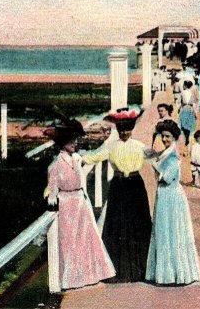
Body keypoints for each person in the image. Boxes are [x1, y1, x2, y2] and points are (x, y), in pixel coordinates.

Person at [81, 109, 153, 283]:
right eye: (121, 130)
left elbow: (156, 157)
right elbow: (94, 157)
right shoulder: (111, 146)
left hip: (135, 186)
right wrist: (78, 156)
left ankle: (141, 269)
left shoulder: (139, 146)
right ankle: (119, 269)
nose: (124, 133)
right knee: (118, 224)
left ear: (132, 129)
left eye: (127, 130)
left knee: (138, 224)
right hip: (119, 186)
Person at [46, 119, 115, 290]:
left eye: (75, 140)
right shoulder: (56, 165)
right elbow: (53, 190)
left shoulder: (75, 159)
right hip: (67, 204)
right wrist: (53, 202)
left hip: (80, 202)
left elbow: (90, 158)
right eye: (72, 141)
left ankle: (86, 275)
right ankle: (70, 279)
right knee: (69, 242)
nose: (75, 143)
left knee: (84, 239)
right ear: (63, 143)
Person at [146, 119, 200, 285]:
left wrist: (154, 165)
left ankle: (173, 273)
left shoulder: (173, 155)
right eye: (163, 136)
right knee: (163, 231)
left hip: (171, 196)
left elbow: (167, 178)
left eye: (168, 136)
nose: (164, 139)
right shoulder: (165, 153)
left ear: (174, 137)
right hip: (164, 195)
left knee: (172, 232)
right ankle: (164, 273)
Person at [179, 80, 198, 147]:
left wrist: (179, 110)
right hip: (190, 109)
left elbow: (180, 103)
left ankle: (186, 137)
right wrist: (195, 113)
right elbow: (195, 103)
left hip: (184, 109)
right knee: (189, 124)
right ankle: (188, 137)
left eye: (183, 85)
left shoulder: (182, 93)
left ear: (185, 85)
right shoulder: (192, 93)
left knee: (183, 124)